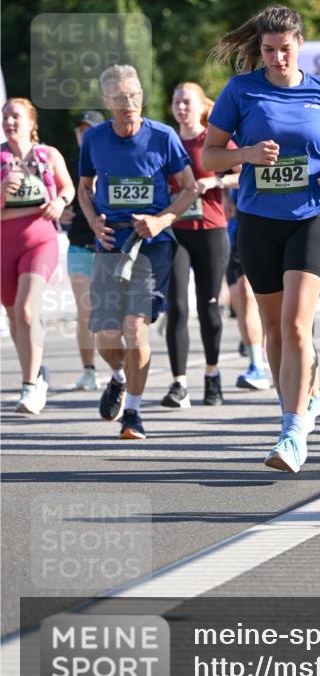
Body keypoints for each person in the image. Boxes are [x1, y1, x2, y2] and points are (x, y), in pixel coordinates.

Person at [202, 5, 320, 473]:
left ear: (300, 45)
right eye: (268, 50)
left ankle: (292, 433)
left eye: (285, 50)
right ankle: (300, 400)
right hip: (258, 221)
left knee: (295, 325)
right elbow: (210, 157)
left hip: (313, 216)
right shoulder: (240, 90)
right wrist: (246, 153)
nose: (276, 58)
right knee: (273, 331)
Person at [78, 65, 197, 440]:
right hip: (111, 243)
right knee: (106, 337)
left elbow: (190, 188)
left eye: (133, 96)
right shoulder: (95, 139)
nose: (128, 104)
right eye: (119, 98)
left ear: (142, 96)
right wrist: (94, 222)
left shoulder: (163, 137)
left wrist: (161, 220)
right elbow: (84, 187)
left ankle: (133, 413)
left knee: (134, 328)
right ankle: (117, 378)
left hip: (152, 245)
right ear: (106, 101)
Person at [161, 82, 235, 409]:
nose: (181, 107)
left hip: (210, 229)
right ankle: (179, 383)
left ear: (200, 105)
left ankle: (212, 374)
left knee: (209, 306)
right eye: (176, 101)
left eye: (187, 101)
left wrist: (216, 180)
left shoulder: (212, 140)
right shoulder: (166, 141)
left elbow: (245, 170)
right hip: (174, 230)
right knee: (176, 305)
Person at [1, 98, 74, 413]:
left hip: (40, 240)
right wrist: (2, 189)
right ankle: (37, 373)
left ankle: (30, 387)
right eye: (5, 117)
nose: (9, 122)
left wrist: (60, 200)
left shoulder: (49, 154)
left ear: (31, 121)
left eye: (15, 116)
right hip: (4, 242)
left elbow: (68, 188)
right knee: (14, 315)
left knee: (27, 310)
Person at [63, 110, 106, 390]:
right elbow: (59, 198)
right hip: (79, 246)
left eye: (89, 129)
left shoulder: (114, 161)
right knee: (85, 311)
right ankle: (89, 370)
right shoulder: (70, 165)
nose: (84, 134)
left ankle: (121, 369)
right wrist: (62, 212)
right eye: (80, 130)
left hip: (111, 246)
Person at [224, 188, 271, 390]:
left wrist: (221, 180)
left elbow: (243, 168)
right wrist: (224, 195)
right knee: (240, 295)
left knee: (255, 294)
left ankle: (258, 360)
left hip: (265, 224)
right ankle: (255, 358)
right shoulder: (223, 154)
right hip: (232, 230)